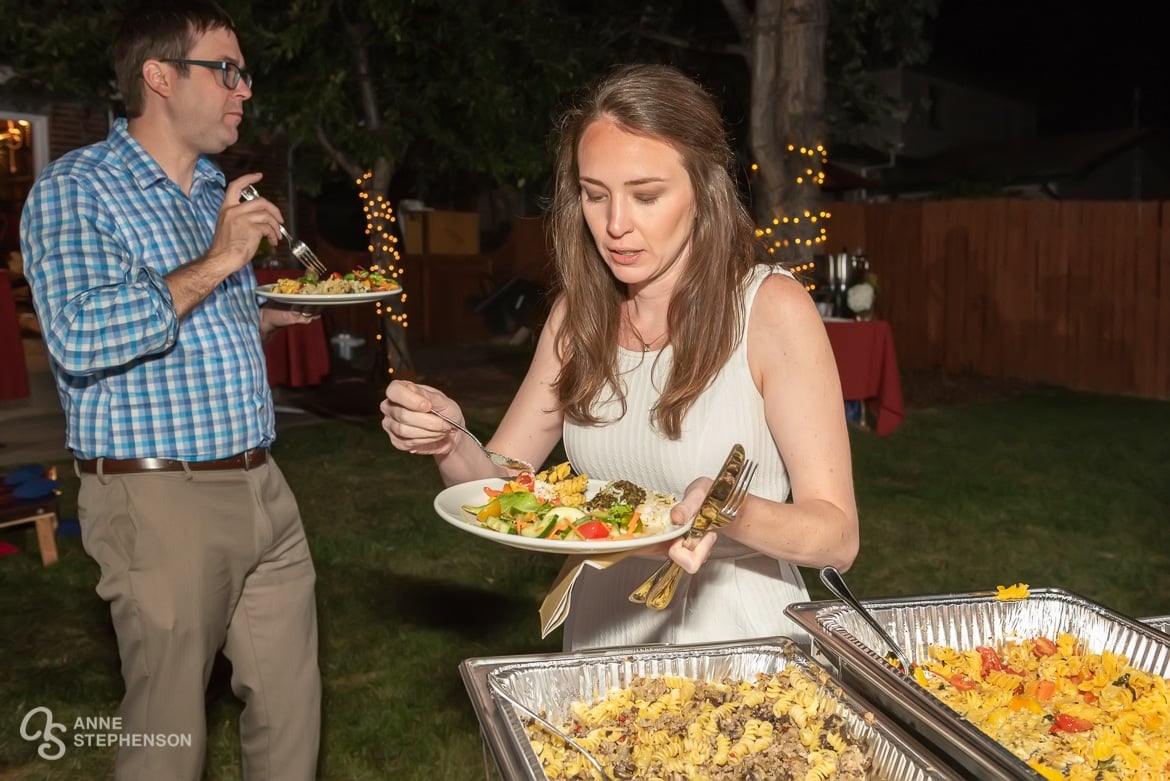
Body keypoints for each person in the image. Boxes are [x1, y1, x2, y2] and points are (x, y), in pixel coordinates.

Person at [381, 63, 859, 651]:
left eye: (646, 195)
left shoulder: (771, 309)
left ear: (705, 191)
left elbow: (837, 535)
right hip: (601, 634)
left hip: (739, 642)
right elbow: (502, 492)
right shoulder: (576, 317)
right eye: (594, 195)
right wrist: (450, 439)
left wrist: (728, 511)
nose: (614, 226)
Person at [19, 2, 320, 778]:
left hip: (265, 487)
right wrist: (223, 260)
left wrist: (262, 314)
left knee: (291, 717)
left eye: (243, 74)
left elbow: (186, 322)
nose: (243, 90)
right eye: (227, 70)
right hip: (160, 500)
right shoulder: (77, 189)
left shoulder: (210, 188)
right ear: (158, 76)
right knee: (167, 736)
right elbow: (80, 336)